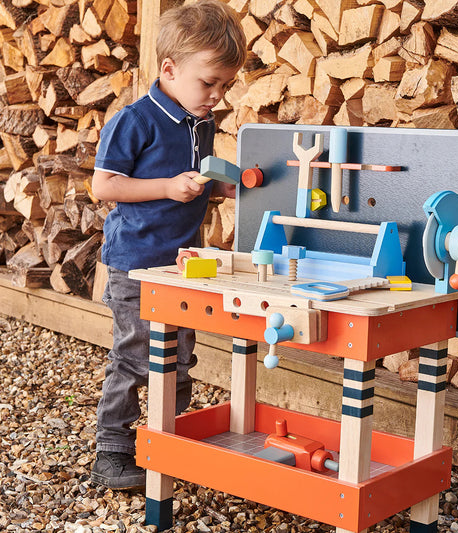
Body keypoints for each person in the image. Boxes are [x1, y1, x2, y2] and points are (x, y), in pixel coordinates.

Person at [89, 0, 247, 489]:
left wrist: (219, 188)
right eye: (209, 83)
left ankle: (166, 442)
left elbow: (195, 180)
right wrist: (166, 187)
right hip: (136, 263)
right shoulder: (134, 120)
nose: (217, 95)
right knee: (136, 356)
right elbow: (105, 186)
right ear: (169, 69)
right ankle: (111, 451)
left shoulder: (200, 121)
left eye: (225, 85)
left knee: (179, 356)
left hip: (184, 264)